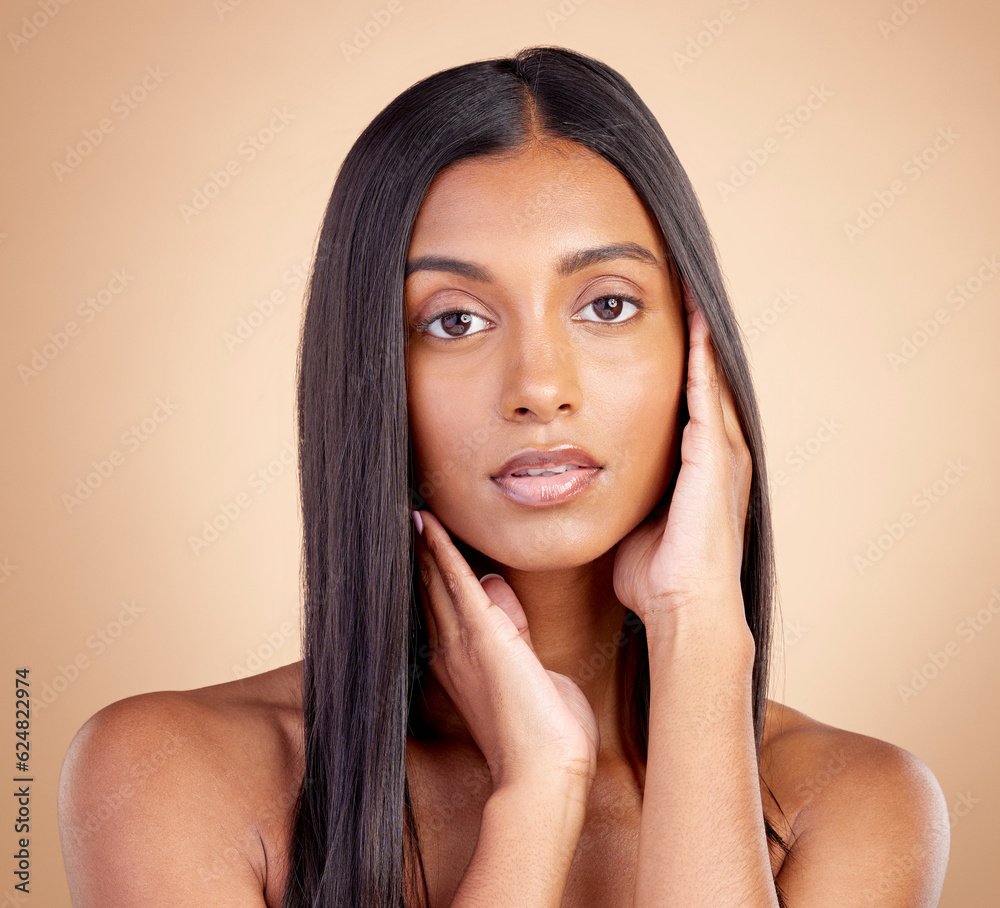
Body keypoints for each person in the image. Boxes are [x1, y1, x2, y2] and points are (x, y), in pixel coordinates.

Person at [57, 45, 950, 907]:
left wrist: (703, 643)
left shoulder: (853, 804)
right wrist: (533, 802)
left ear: (696, 344)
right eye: (453, 322)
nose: (540, 389)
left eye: (607, 304)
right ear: (370, 377)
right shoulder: (167, 773)